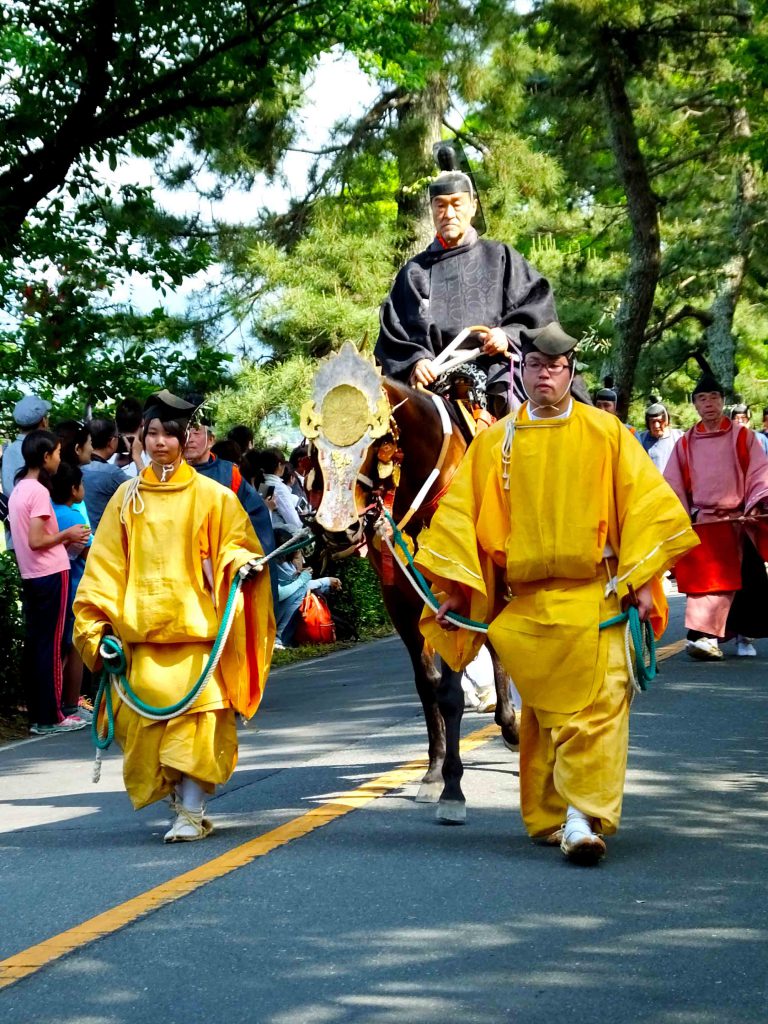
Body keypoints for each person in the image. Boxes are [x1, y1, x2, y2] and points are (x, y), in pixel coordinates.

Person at [413, 322, 698, 865]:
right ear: (522, 371)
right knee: (543, 719)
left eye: (557, 366)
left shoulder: (605, 432)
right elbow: (462, 522)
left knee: (598, 710)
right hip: (526, 606)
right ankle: (552, 814)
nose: (546, 374)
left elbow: (646, 506)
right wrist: (452, 593)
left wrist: (641, 583)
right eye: (537, 366)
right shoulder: (495, 440)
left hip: (596, 597)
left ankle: (581, 818)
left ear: (570, 371)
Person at [74, 391, 275, 842]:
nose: (160, 442)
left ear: (186, 439)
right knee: (147, 734)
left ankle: (190, 810)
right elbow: (105, 565)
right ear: (140, 439)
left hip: (199, 638)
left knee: (199, 731)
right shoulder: (126, 499)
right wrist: (98, 625)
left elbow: (239, 545)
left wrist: (236, 564)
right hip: (142, 641)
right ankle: (180, 802)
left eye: (170, 433)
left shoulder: (213, 496)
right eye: (153, 433)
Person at [375, 169, 556, 418]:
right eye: (440, 206)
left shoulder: (501, 257)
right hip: (432, 382)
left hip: (495, 369)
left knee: (524, 419)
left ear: (473, 206)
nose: (449, 214)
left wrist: (507, 336)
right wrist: (417, 361)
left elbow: (538, 308)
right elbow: (394, 334)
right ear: (431, 210)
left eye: (457, 204)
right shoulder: (414, 272)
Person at [664, 374, 768, 661]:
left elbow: (759, 473)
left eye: (713, 397)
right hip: (707, 523)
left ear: (722, 401)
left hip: (738, 520)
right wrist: (679, 518)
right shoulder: (685, 443)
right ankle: (702, 637)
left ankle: (742, 637)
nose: (708, 403)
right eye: (702, 398)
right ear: (695, 405)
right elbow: (672, 484)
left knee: (746, 581)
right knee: (706, 583)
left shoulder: (742, 437)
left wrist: (755, 506)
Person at [8, 431, 91, 734]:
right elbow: (37, 539)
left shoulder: (20, 488)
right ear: (45, 457)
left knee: (38, 646)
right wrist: (68, 535)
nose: (59, 457)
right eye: (56, 453)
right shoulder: (39, 491)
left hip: (33, 575)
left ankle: (40, 715)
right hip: (50, 574)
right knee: (52, 647)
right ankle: (53, 717)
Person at [183, 402, 279, 606]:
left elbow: (255, 517)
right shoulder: (170, 474)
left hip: (222, 564)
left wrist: (248, 555)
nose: (190, 438)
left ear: (211, 439)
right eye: (185, 431)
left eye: (196, 432)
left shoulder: (229, 474)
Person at [51, 462, 93, 722]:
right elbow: (92, 556)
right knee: (76, 646)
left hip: (53, 585)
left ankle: (56, 700)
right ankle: (70, 704)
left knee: (57, 647)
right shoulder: (75, 519)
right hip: (75, 587)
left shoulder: (48, 513)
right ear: (74, 489)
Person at [2, 394, 52, 550]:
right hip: (41, 533)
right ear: (43, 421)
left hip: (17, 533)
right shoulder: (40, 450)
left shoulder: (10, 451)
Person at [275, 548, 340, 649]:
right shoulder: (277, 566)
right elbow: (281, 593)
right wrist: (302, 579)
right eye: (297, 557)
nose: (303, 561)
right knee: (301, 590)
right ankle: (279, 639)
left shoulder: (284, 567)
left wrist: (326, 582)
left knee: (321, 588)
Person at [81, 418, 136, 531]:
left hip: (80, 537)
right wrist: (137, 457)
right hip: (103, 539)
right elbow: (143, 490)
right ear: (111, 442)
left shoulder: (74, 466)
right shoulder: (111, 473)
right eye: (118, 437)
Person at [256, 448, 304, 535]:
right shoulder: (279, 488)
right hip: (280, 536)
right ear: (279, 465)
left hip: (268, 533)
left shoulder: (263, 485)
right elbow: (293, 520)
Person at [637, 401, 683, 473]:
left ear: (666, 421)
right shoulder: (640, 440)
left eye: (660, 421)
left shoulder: (679, 437)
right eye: (652, 422)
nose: (656, 426)